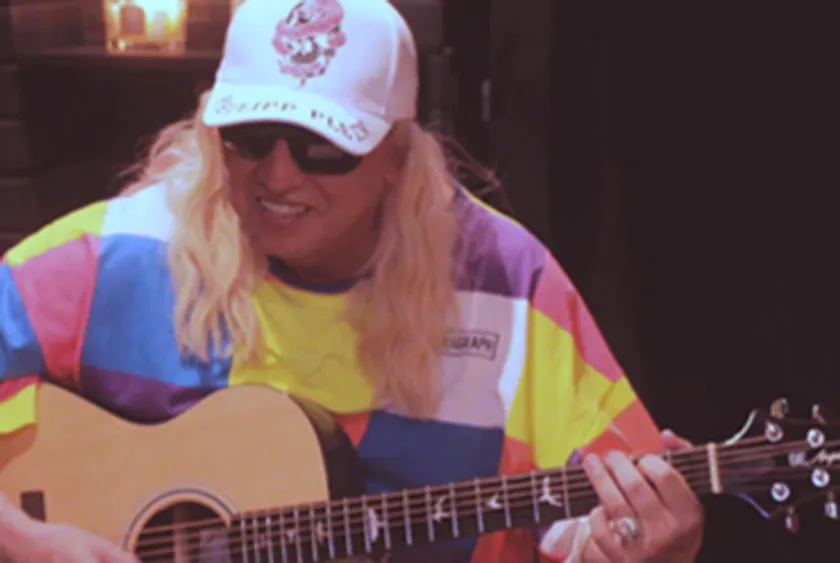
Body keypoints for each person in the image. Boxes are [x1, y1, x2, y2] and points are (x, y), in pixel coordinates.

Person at [0, 0, 704, 561]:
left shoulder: (507, 284)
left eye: (323, 147)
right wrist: (23, 539)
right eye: (249, 137)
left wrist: (647, 545)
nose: (278, 176)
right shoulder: (126, 251)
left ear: (397, 156)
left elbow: (609, 519)